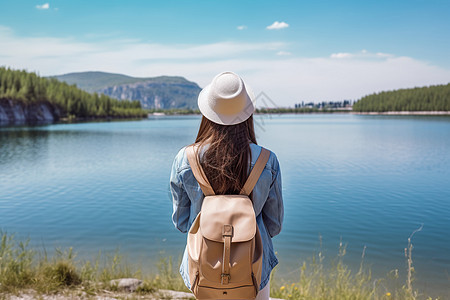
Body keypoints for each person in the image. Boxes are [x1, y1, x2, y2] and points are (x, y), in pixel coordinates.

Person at [170, 71, 283, 300]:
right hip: (254, 268)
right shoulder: (267, 161)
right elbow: (274, 224)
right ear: (248, 114)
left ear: (207, 113)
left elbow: (181, 223)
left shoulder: (185, 158)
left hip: (202, 266)